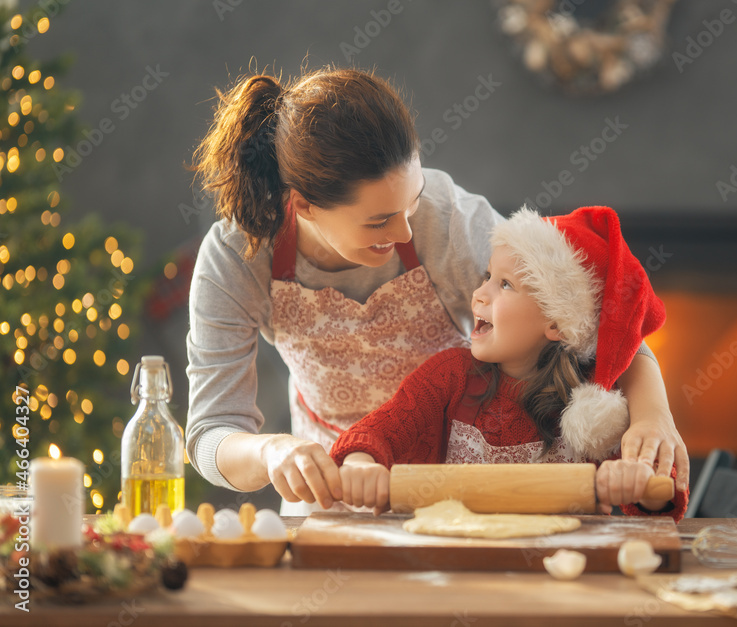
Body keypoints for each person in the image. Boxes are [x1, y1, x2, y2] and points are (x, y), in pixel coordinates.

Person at [185, 66, 689, 515]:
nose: (406, 232)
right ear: (304, 206)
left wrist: (653, 416)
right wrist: (272, 452)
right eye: (380, 220)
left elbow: (588, 321)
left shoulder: (442, 218)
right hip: (335, 495)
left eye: (413, 202)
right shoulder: (236, 257)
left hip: (450, 490)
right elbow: (211, 433)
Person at [332, 207, 689, 519]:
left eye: (505, 284)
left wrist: (635, 483)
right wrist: (361, 463)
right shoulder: (449, 377)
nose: (479, 293)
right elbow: (380, 430)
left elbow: (658, 497)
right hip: (456, 559)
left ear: (557, 323)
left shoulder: (596, 409)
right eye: (488, 276)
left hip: (558, 572)